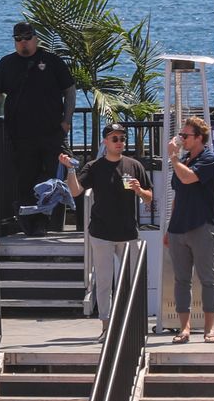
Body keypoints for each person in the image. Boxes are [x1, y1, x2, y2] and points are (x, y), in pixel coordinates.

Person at [60, 124, 152, 335]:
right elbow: (75, 191)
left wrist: (139, 190)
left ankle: (132, 325)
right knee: (103, 280)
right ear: (105, 142)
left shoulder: (134, 165)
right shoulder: (94, 166)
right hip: (101, 232)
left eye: (122, 138)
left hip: (128, 233)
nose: (119, 142)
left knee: (132, 280)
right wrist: (71, 169)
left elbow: (149, 198)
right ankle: (106, 326)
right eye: (114, 139)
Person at [0, 23, 76, 225]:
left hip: (52, 133)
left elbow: (70, 91)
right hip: (20, 136)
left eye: (27, 37)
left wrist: (66, 121)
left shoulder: (52, 61)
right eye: (18, 38)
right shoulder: (6, 64)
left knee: (58, 178)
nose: (23, 42)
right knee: (25, 180)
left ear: (35, 38)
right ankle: (29, 225)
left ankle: (54, 224)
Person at [164, 116, 214, 344]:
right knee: (181, 280)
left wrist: (172, 156)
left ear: (199, 138)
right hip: (179, 228)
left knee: (208, 278)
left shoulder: (209, 160)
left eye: (185, 136)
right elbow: (178, 193)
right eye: (180, 135)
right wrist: (169, 227)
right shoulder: (184, 160)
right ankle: (184, 329)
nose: (181, 140)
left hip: (202, 226)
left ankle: (210, 329)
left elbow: (188, 179)